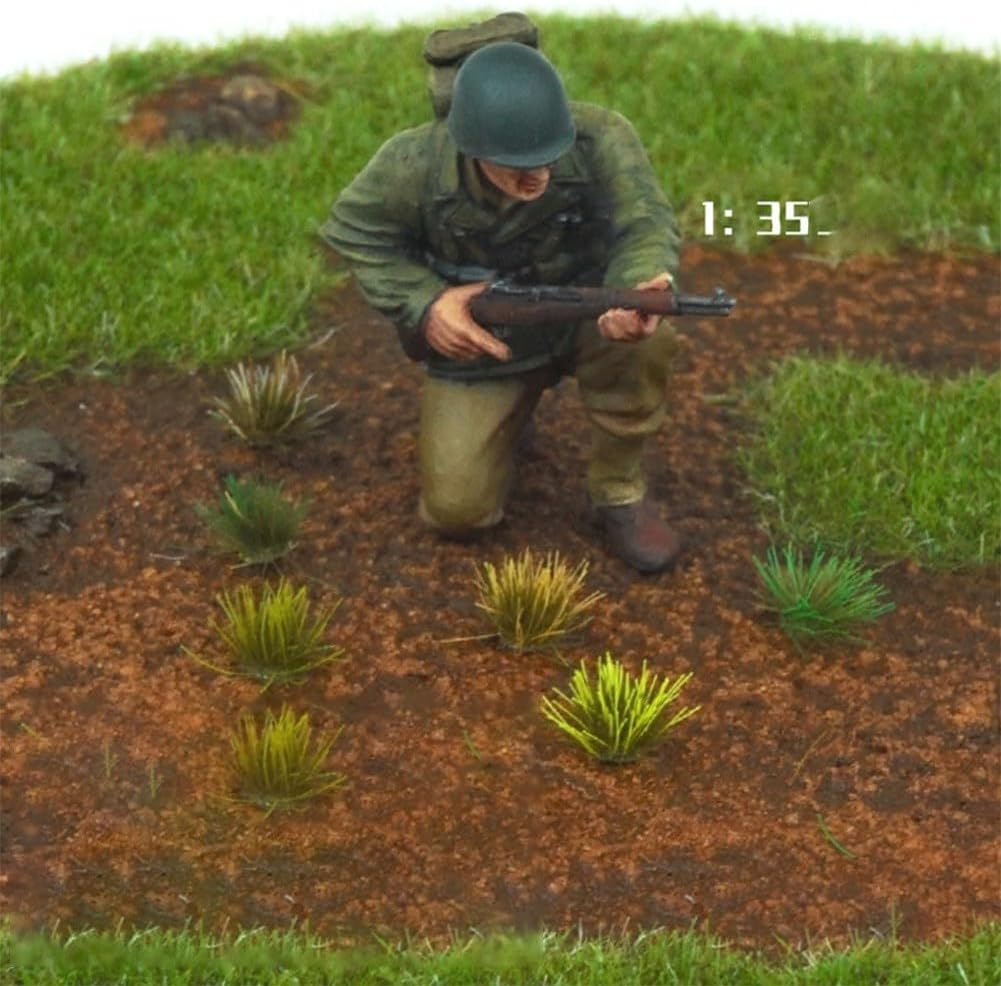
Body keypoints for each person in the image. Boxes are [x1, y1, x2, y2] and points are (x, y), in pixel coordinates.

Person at [321, 40, 683, 573]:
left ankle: (618, 490)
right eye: (516, 164)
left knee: (651, 339)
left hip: (587, 317)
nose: (537, 175)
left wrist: (637, 287)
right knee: (457, 510)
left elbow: (645, 223)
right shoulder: (414, 163)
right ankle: (507, 423)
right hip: (486, 340)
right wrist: (427, 304)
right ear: (470, 147)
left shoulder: (601, 137)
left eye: (547, 157)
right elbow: (355, 230)